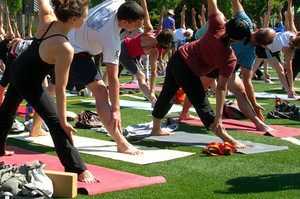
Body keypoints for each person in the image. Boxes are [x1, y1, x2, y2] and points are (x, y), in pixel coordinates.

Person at [0, 0, 100, 183]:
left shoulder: (48, 20)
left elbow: (42, 1)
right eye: (85, 17)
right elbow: (60, 89)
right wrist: (62, 121)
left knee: (7, 111)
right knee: (55, 122)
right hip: (28, 79)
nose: (86, 20)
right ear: (73, 18)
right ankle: (78, 169)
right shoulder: (65, 48)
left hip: (17, 68)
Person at [30, 0, 145, 155]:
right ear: (124, 22)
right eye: (137, 25)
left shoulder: (118, 3)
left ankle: (35, 129)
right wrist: (116, 110)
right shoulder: (111, 38)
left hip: (65, 42)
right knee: (100, 91)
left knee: (52, 88)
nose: (140, 28)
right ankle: (121, 142)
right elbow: (112, 77)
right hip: (75, 52)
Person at [151, 0, 251, 148]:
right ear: (240, 39)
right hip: (187, 70)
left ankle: (156, 129)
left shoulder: (217, 25)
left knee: (167, 94)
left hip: (177, 58)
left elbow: (212, 2)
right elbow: (221, 88)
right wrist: (218, 117)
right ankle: (224, 135)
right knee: (201, 103)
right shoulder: (229, 58)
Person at [119, 0, 174, 107]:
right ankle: (153, 100)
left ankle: (152, 100)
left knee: (140, 76)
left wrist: (143, 1)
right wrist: (152, 91)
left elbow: (146, 12)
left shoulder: (149, 31)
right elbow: (153, 73)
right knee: (140, 76)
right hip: (123, 51)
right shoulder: (154, 51)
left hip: (129, 54)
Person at [264, 0, 300, 98]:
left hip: (267, 48)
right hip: (263, 48)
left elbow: (289, 18)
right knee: (280, 71)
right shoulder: (288, 50)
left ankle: (290, 92)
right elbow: (289, 69)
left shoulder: (293, 32)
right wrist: (292, 87)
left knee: (280, 70)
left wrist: (289, 4)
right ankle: (290, 92)